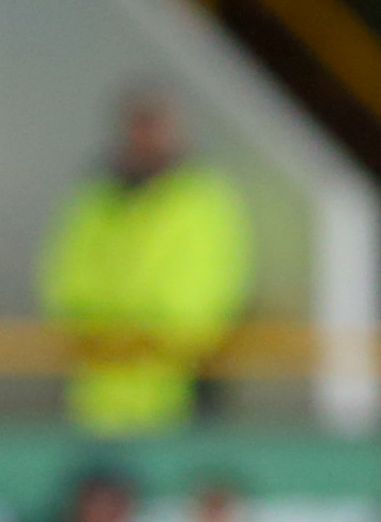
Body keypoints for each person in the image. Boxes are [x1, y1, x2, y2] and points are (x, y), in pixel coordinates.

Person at [40, 91, 252, 432]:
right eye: (138, 127)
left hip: (180, 378)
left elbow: (215, 282)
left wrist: (162, 331)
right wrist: (98, 329)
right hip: (98, 385)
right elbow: (66, 279)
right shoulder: (94, 198)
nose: (145, 138)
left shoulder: (201, 196)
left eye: (154, 127)